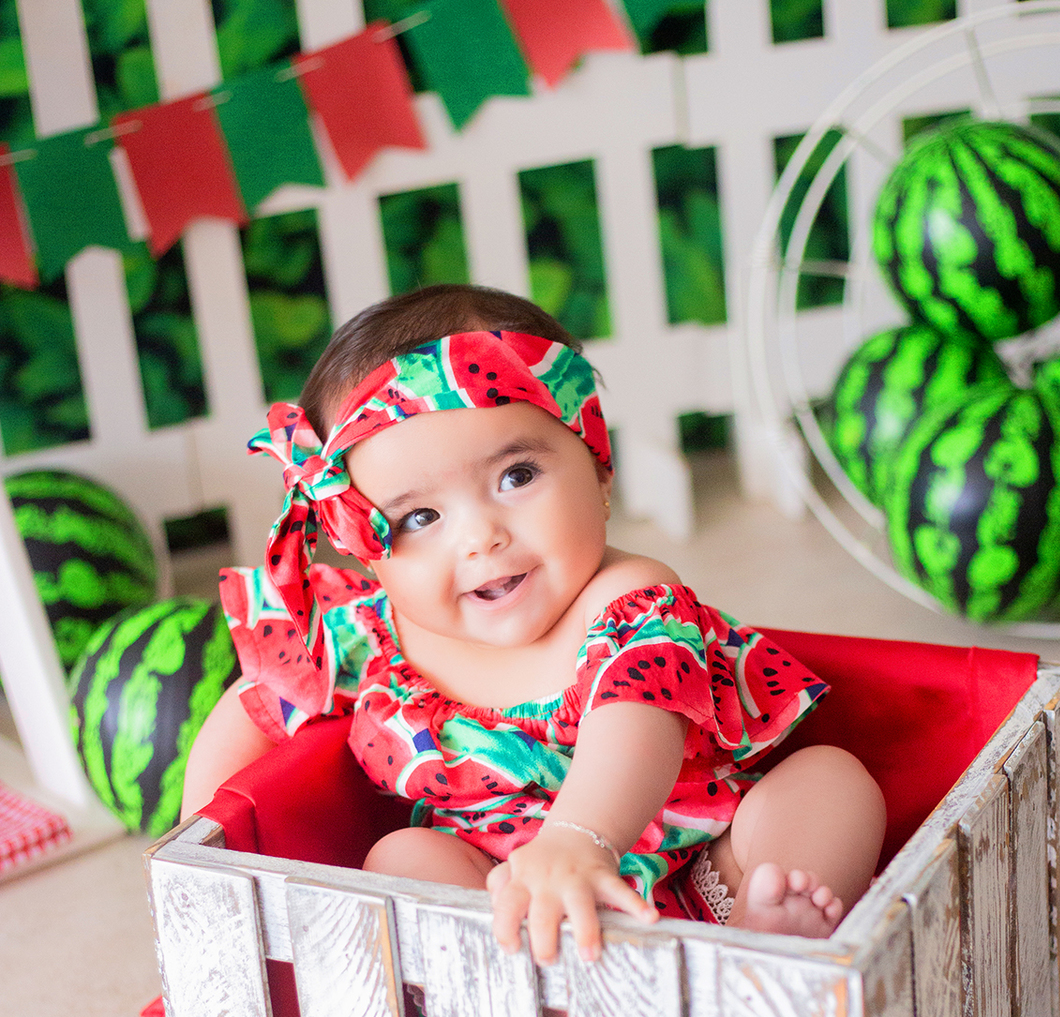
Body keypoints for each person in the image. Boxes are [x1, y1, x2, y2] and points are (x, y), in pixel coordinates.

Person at [182, 284, 886, 971]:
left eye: (516, 476)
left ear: (598, 469)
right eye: (420, 519)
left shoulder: (633, 599)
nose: (482, 537)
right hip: (515, 923)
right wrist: (194, 859)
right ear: (364, 549)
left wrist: (580, 840)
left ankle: (767, 949)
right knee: (403, 863)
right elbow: (256, 705)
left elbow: (635, 720)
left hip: (705, 879)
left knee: (829, 783)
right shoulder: (369, 634)